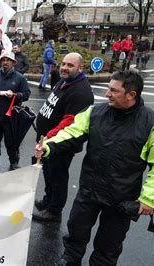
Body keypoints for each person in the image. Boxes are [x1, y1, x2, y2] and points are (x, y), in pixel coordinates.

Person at [34, 70, 154, 265]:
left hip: (121, 200)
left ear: (131, 94)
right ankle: (69, 260)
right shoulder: (95, 113)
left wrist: (149, 199)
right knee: (75, 234)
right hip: (89, 190)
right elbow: (72, 132)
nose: (107, 94)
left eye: (113, 90)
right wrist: (49, 146)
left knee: (108, 248)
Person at [33, 53, 94, 222]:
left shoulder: (80, 91)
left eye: (70, 65)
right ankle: (47, 201)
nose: (65, 68)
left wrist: (48, 140)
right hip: (47, 142)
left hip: (59, 144)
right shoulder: (64, 81)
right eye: (63, 64)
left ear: (80, 68)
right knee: (48, 173)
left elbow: (70, 122)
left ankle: (54, 211)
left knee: (57, 176)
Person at [0, 51, 31, 171]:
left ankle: (14, 161)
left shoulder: (20, 78)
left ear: (13, 62)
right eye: (3, 60)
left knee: (12, 142)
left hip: (11, 117)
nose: (5, 62)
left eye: (8, 60)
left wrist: (14, 95)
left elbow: (26, 94)